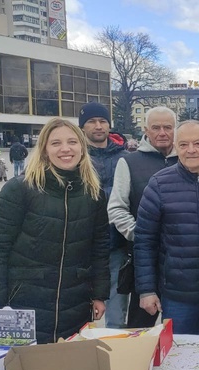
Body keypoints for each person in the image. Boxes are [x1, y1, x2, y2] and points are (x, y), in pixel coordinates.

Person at [0, 118, 109, 343]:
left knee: (69, 364)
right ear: (45, 150)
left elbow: (100, 248)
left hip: (75, 305)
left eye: (72, 142)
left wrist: (99, 293)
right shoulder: (20, 189)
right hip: (23, 305)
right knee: (26, 365)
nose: (65, 149)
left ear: (82, 147)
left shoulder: (93, 193)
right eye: (56, 143)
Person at [134, 120, 199, 335]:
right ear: (175, 147)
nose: (191, 150)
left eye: (197, 144)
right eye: (183, 145)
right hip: (177, 292)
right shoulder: (159, 184)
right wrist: (146, 290)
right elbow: (144, 240)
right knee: (178, 350)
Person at [108, 106, 179, 328]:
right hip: (144, 260)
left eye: (168, 127)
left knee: (179, 328)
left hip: (179, 259)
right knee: (139, 328)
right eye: (156, 127)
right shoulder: (129, 162)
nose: (162, 133)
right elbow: (117, 208)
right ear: (146, 130)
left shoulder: (186, 159)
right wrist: (140, 235)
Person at [80, 101, 130, 329]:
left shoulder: (125, 157)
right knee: (78, 310)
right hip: (81, 243)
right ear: (83, 126)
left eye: (102, 121)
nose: (98, 126)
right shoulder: (75, 156)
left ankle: (115, 346)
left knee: (116, 313)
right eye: (92, 121)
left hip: (115, 242)